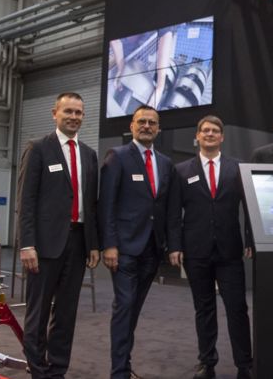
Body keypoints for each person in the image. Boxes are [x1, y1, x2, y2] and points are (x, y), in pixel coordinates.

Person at [17, 92, 100, 379]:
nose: (74, 117)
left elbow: (91, 204)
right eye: (68, 111)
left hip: (78, 244)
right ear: (55, 113)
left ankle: (57, 371)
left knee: (66, 314)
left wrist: (93, 244)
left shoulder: (89, 155)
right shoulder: (38, 148)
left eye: (78, 112)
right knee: (38, 314)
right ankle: (38, 371)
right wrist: (27, 244)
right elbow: (26, 201)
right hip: (43, 246)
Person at [168, 116, 254, 379]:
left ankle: (245, 365)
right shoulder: (181, 170)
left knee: (237, 308)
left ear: (222, 137)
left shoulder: (237, 168)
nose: (210, 134)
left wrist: (250, 239)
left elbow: (249, 206)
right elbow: (173, 212)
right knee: (204, 309)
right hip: (196, 251)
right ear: (197, 135)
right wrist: (174, 245)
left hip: (230, 251)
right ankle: (207, 363)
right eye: (205, 130)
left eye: (215, 130)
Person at [98, 105, 180, 379]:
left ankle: (124, 362)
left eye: (152, 123)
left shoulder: (166, 163)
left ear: (158, 129)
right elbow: (106, 204)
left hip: (152, 249)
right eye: (142, 121)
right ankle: (119, 372)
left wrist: (172, 245)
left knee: (133, 308)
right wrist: (109, 245)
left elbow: (169, 208)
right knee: (124, 306)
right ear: (132, 126)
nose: (147, 126)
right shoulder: (118, 156)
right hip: (123, 249)